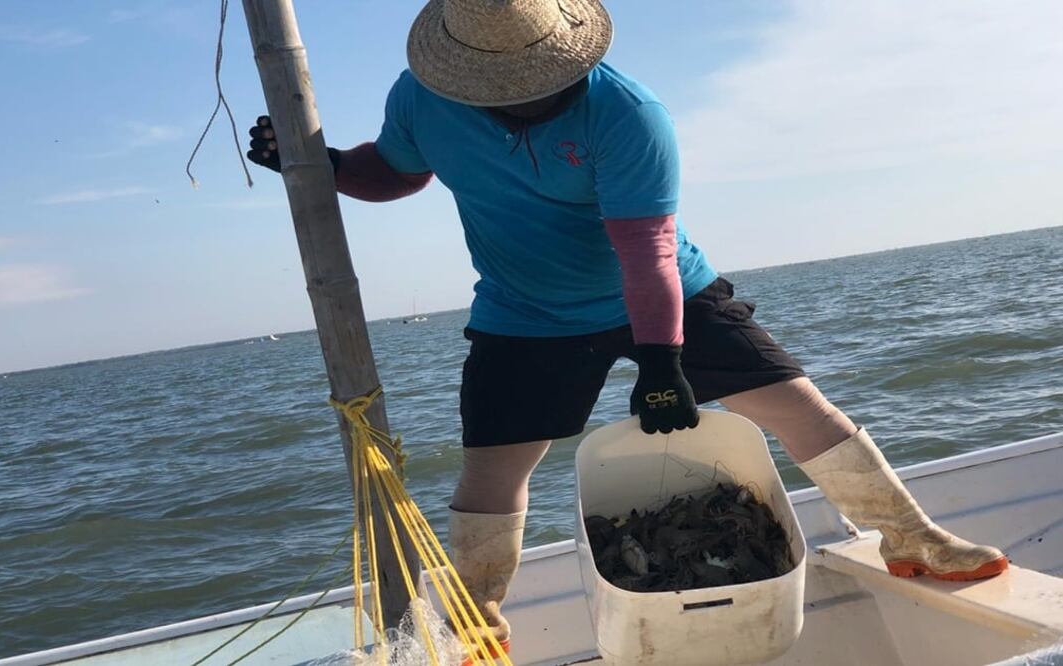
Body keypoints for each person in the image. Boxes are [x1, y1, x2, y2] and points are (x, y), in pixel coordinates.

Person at [248, 0, 1007, 654]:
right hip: (524, 312)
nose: (534, 98)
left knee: (794, 406)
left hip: (663, 289)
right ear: (465, 81)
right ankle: (478, 619)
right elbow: (396, 171)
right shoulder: (424, 98)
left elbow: (644, 254)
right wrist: (322, 164)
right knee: (493, 471)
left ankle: (913, 540)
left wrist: (659, 364)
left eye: (548, 81)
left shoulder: (627, 112)